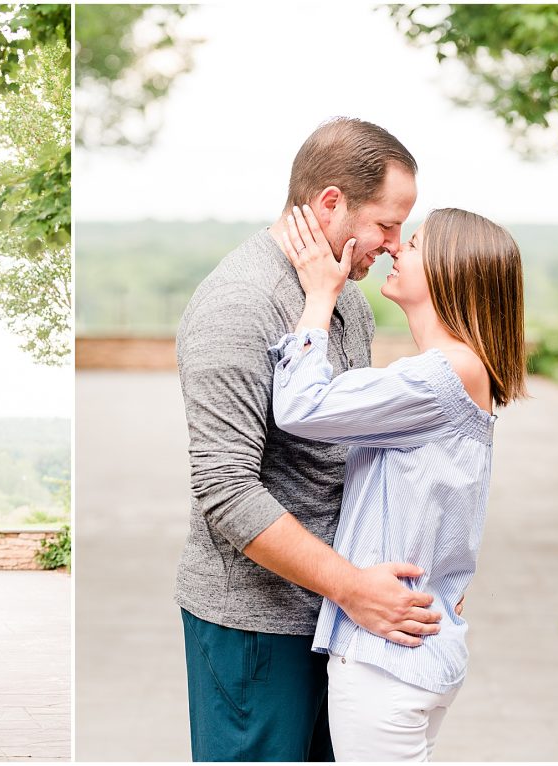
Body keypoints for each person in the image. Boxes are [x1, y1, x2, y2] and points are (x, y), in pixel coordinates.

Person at [175, 117, 442, 762]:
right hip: (255, 626)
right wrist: (352, 586)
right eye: (385, 223)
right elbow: (225, 490)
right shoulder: (238, 304)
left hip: (337, 618)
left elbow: (347, 448)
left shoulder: (343, 300)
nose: (394, 243)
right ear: (331, 203)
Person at [271, 205, 525, 760]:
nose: (394, 248)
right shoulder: (464, 371)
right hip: (420, 655)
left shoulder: (440, 376)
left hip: (385, 661)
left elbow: (298, 407)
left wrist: (319, 297)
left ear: (449, 271)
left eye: (415, 243)